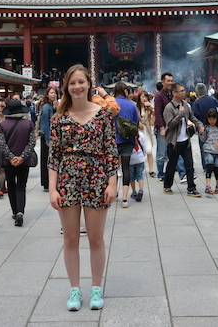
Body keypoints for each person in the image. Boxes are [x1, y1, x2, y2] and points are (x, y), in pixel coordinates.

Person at [48, 64, 118, 311]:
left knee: (96, 238)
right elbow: (53, 156)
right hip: (68, 180)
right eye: (72, 83)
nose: (77, 86)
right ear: (66, 86)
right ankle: (75, 289)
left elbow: (111, 151)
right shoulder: (58, 117)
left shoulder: (103, 115)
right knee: (70, 239)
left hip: (97, 178)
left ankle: (97, 287)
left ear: (89, 84)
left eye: (81, 82)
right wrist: (52, 189)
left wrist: (112, 183)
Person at [0, 99, 36, 226]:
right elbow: (31, 143)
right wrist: (22, 157)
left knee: (11, 186)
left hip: (8, 162)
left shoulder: (3, 125)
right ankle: (20, 211)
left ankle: (14, 211)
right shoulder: (29, 124)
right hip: (24, 162)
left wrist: (11, 157)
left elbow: (2, 144)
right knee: (21, 186)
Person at [162, 82, 204, 197]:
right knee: (172, 165)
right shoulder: (169, 107)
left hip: (185, 140)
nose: (183, 92)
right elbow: (170, 125)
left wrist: (199, 125)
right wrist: (180, 115)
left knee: (189, 164)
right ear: (174, 93)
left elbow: (192, 117)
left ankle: (191, 188)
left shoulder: (185, 104)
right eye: (181, 91)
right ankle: (167, 185)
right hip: (174, 142)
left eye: (183, 90)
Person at [154, 73, 186, 183]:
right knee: (162, 152)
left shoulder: (173, 95)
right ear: (162, 82)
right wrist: (162, 129)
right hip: (163, 128)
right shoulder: (158, 96)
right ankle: (160, 174)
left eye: (172, 80)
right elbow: (157, 113)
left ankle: (183, 173)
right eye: (168, 81)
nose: (170, 83)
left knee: (175, 149)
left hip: (174, 127)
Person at [114, 81, 140, 208]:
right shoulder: (132, 105)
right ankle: (125, 198)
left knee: (113, 168)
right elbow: (135, 123)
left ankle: (114, 194)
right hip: (128, 140)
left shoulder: (110, 104)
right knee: (126, 168)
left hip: (113, 140)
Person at [37, 86, 59, 191]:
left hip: (51, 136)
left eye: (54, 93)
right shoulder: (46, 107)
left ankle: (49, 182)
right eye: (51, 93)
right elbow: (45, 124)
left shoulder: (52, 106)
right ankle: (47, 183)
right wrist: (48, 140)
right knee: (47, 160)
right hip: (47, 137)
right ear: (47, 95)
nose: (53, 95)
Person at [200, 108, 218, 194]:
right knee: (209, 166)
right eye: (210, 119)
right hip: (208, 150)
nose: (212, 121)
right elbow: (203, 139)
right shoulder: (206, 128)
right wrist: (201, 133)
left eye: (213, 119)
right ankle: (208, 185)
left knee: (216, 169)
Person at [135, 90, 155, 177]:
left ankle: (151, 169)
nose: (144, 98)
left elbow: (156, 113)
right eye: (142, 97)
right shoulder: (136, 107)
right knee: (140, 150)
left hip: (147, 130)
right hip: (138, 131)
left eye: (145, 96)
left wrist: (151, 106)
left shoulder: (149, 107)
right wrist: (138, 123)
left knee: (149, 149)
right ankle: (139, 170)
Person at [128, 131, 147, 201]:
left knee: (131, 176)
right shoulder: (140, 134)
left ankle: (134, 191)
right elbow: (144, 146)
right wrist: (143, 155)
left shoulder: (125, 134)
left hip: (130, 160)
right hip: (139, 157)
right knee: (140, 175)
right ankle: (141, 189)